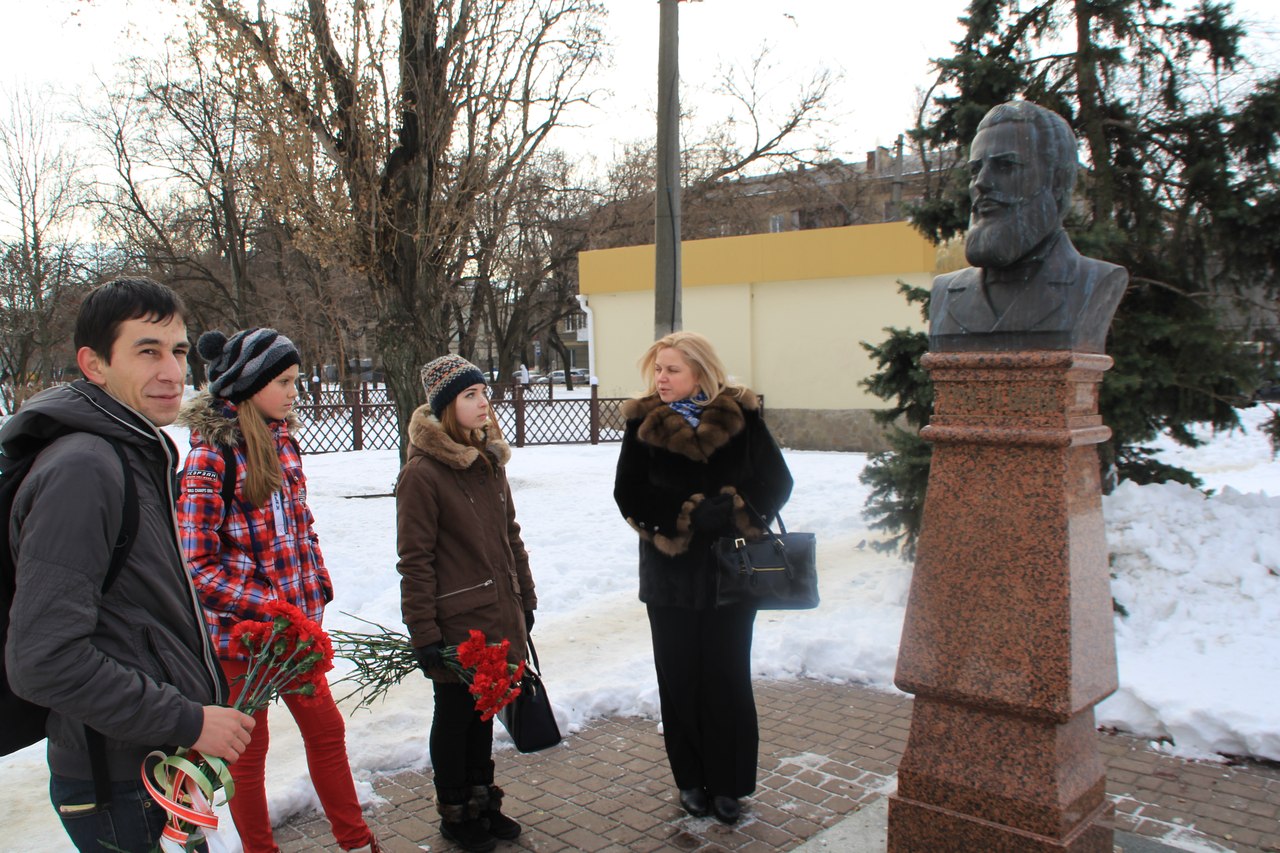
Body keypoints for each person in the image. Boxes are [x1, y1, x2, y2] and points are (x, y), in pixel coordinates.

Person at [3, 277, 255, 852]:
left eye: (179, 351)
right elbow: (43, 660)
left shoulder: (131, 451)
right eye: (147, 351)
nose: (172, 371)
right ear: (93, 364)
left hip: (150, 765)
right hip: (117, 784)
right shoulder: (85, 468)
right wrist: (188, 720)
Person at [176, 328, 381, 853]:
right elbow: (195, 565)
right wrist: (267, 607)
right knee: (249, 756)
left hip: (295, 635)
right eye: (285, 381)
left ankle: (356, 842)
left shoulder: (282, 439)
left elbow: (298, 526)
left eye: (296, 380)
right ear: (249, 383)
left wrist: (316, 589)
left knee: (327, 735)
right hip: (243, 642)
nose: (296, 391)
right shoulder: (210, 458)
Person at [612, 331, 793, 825]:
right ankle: (690, 781)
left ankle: (730, 784)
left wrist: (735, 507)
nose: (661, 378)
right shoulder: (643, 421)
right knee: (680, 678)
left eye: (671, 369)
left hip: (732, 576)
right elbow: (628, 493)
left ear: (700, 372)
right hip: (669, 579)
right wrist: (685, 514)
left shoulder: (741, 416)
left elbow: (777, 480)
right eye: (658, 369)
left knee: (727, 677)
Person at [396, 354, 537, 853]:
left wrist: (526, 596)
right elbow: (415, 562)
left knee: (485, 712)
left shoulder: (488, 461)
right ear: (445, 406)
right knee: (456, 717)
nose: (484, 404)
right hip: (457, 625)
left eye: (484, 393)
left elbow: (510, 536)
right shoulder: (423, 474)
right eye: (470, 396)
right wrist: (426, 636)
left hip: (499, 612)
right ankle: (455, 811)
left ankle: (483, 800)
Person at [929, 100, 1128, 353]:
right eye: (975, 170)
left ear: (1057, 180)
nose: (981, 183)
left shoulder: (1094, 282)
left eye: (1006, 166)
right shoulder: (945, 292)